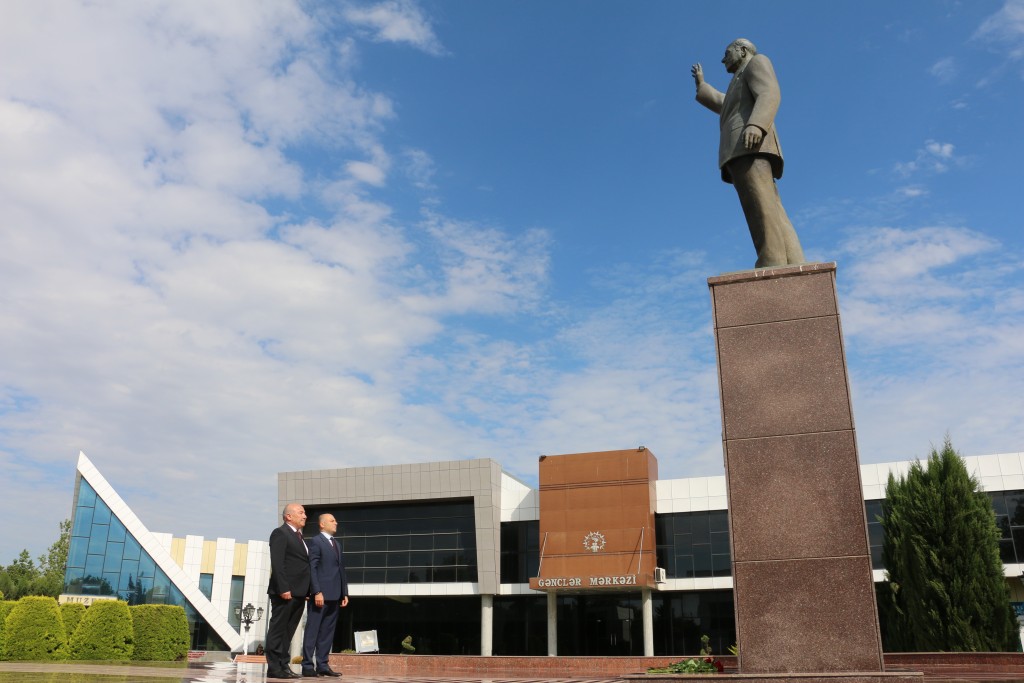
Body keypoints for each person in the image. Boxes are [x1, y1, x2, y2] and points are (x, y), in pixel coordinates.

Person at [692, 38, 805, 268]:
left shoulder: (757, 62)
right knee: (770, 205)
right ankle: (793, 260)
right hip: (742, 147)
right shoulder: (738, 78)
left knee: (759, 205)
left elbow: (769, 92)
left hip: (749, 144)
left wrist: (756, 125)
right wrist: (702, 85)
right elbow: (724, 103)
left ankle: (771, 258)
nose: (723, 59)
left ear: (742, 50)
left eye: (727, 53)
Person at [265, 503, 311, 680]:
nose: (305, 516)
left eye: (304, 513)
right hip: (285, 592)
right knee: (278, 630)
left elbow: (302, 565)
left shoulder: (300, 537)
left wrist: (307, 590)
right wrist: (284, 588)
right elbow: (277, 563)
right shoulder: (280, 533)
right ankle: (274, 667)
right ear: (288, 516)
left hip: (299, 593)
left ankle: (284, 666)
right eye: (301, 512)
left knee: (288, 632)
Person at [301, 513, 349, 678]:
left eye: (335, 520)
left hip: (335, 595)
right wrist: (317, 591)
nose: (336, 523)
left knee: (327, 632)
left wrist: (344, 592)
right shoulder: (316, 541)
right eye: (332, 520)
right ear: (322, 524)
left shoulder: (337, 544)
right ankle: (307, 665)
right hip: (320, 595)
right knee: (312, 631)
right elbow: (312, 568)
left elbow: (341, 569)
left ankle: (322, 665)